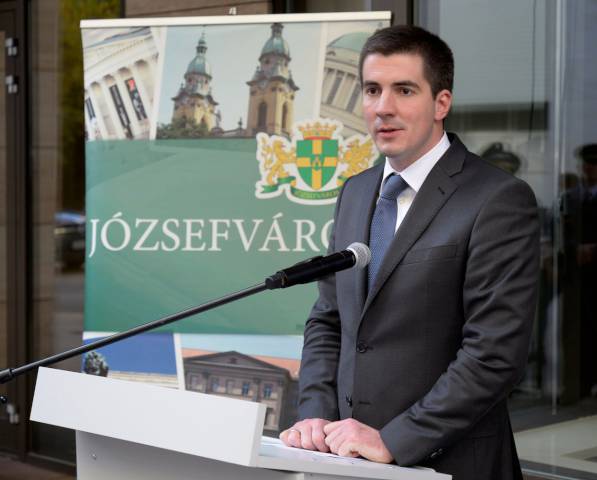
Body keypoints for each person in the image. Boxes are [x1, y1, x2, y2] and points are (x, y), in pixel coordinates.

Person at [280, 25, 540, 479]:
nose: (384, 107)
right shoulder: (355, 192)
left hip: (451, 465)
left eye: (404, 90)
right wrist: (315, 415)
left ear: (441, 103)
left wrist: (394, 439)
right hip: (346, 462)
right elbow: (329, 319)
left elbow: (494, 353)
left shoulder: (497, 199)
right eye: (372, 90)